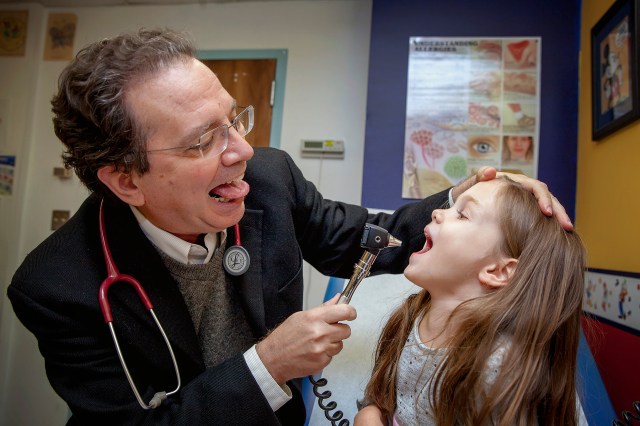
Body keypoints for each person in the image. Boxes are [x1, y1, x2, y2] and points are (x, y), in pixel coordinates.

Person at [7, 28, 571, 425]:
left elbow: (369, 241)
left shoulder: (270, 179)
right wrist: (266, 366)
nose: (242, 150)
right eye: (204, 140)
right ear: (127, 181)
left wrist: (466, 193)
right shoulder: (58, 287)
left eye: (234, 119)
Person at [354, 177, 586, 425]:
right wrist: (370, 414)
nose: (437, 212)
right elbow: (384, 398)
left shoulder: (497, 367)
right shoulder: (410, 317)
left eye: (462, 214)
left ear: (497, 271)